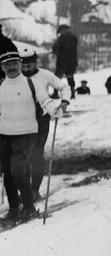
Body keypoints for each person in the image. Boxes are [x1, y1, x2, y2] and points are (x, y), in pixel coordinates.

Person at [0, 50, 63, 222]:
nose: (11, 67)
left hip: (26, 133)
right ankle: (14, 208)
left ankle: (28, 207)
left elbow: (45, 101)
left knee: (18, 170)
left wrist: (54, 110)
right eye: (7, 64)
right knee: (7, 172)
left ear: (20, 64)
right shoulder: (0, 86)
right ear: (2, 67)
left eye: (14, 63)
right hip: (4, 135)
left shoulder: (31, 83)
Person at [19, 47, 70, 201]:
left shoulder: (45, 75)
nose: (26, 68)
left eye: (29, 65)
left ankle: (34, 189)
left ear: (35, 62)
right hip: (21, 121)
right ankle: (24, 190)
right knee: (21, 156)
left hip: (41, 120)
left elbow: (63, 87)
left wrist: (64, 103)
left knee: (36, 155)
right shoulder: (16, 77)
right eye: (24, 65)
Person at [52, 24, 78, 99]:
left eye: (60, 31)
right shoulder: (74, 37)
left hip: (62, 62)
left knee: (57, 78)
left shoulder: (61, 37)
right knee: (70, 77)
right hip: (72, 62)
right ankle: (72, 94)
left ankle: (55, 94)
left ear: (62, 30)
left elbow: (56, 47)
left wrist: (55, 51)